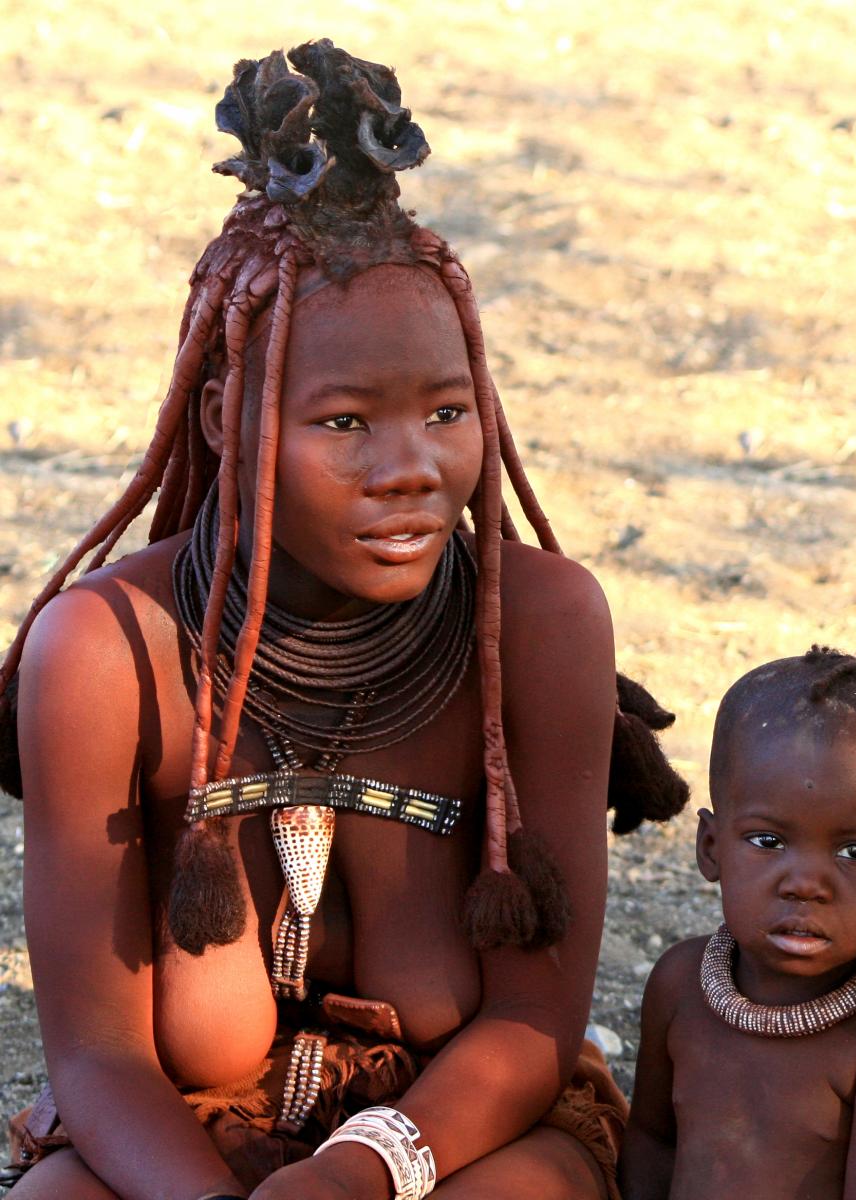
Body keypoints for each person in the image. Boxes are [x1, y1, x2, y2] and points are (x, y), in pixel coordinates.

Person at [0, 39, 688, 1200]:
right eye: (345, 424)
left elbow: (528, 1021)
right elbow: (102, 1054)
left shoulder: (544, 627)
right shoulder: (106, 653)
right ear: (226, 416)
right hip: (184, 1141)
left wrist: (359, 1176)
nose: (413, 469)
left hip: (460, 1137)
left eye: (447, 410)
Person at [621, 646, 856, 1200]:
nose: (806, 884)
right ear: (711, 848)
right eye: (768, 842)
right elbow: (650, 1143)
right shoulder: (678, 985)